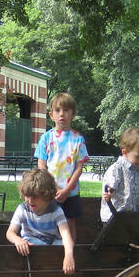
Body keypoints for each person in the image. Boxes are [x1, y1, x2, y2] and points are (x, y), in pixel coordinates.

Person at [35, 92, 89, 242]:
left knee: (70, 222)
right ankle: (51, 252)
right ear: (51, 115)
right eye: (58, 111)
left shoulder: (78, 139)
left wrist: (66, 190)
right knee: (50, 222)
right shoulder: (46, 138)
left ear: (73, 114)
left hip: (71, 193)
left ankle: (70, 252)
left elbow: (79, 168)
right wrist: (55, 188)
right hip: (50, 191)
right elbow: (42, 165)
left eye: (66, 110)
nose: (62, 114)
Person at [6, 168, 75, 275]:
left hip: (51, 242)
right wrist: (17, 240)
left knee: (62, 246)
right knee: (34, 247)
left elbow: (66, 234)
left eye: (34, 196)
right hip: (32, 242)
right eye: (27, 196)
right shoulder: (23, 209)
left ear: (46, 195)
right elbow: (10, 232)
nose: (29, 200)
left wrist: (69, 255)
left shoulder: (56, 211)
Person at [100, 127, 139, 224]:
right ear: (124, 152)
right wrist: (109, 194)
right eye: (138, 156)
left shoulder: (137, 170)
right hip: (114, 218)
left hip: (131, 217)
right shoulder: (117, 169)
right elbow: (110, 189)